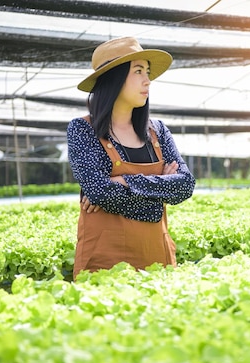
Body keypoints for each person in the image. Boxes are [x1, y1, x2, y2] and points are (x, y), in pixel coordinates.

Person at [67, 37, 196, 279]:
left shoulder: (157, 131)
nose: (147, 80)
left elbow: (185, 185)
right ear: (114, 77)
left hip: (157, 255)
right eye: (138, 71)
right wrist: (159, 192)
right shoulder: (83, 130)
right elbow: (100, 192)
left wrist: (123, 182)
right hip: (104, 261)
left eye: (147, 71)